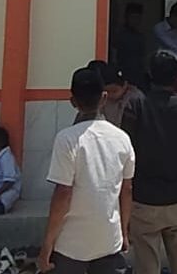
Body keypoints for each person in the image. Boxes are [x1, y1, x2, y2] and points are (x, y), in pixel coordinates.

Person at [38, 66, 136, 274]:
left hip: (71, 243)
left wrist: (48, 243)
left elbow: (63, 194)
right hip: (109, 238)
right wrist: (124, 231)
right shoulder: (122, 139)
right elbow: (126, 190)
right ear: (104, 98)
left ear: (73, 101)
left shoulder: (67, 140)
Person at [127, 51, 177, 274]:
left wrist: (123, 202)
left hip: (143, 201)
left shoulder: (135, 106)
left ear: (150, 74)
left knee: (146, 266)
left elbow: (125, 156)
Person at [89, 59, 145, 130]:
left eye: (114, 91)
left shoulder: (135, 99)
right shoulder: (102, 100)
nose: (110, 95)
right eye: (106, 91)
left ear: (125, 85)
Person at [113, 3, 150, 89]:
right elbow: (114, 55)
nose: (136, 21)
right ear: (127, 17)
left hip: (138, 75)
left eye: (138, 18)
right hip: (123, 74)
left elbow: (143, 57)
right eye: (133, 17)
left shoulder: (140, 37)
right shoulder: (119, 35)